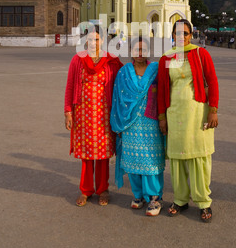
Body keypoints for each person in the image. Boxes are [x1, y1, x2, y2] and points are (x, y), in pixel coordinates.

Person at [157, 19, 219, 222]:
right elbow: (163, 89)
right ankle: (181, 199)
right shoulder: (167, 58)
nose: (181, 37)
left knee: (198, 157)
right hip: (175, 114)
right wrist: (162, 117)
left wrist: (213, 110)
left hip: (198, 112)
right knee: (177, 158)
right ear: (172, 36)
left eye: (184, 33)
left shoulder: (201, 54)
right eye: (177, 33)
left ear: (190, 35)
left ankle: (203, 201)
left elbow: (212, 81)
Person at [64, 24, 123, 207]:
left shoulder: (111, 61)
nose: (93, 43)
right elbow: (70, 87)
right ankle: (86, 190)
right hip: (83, 114)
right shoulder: (77, 60)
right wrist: (68, 111)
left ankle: (103, 189)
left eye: (96, 39)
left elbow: (123, 82)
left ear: (103, 40)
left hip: (104, 115)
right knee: (87, 155)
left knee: (103, 154)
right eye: (89, 39)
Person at [110, 37, 166, 216]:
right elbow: (117, 99)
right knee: (133, 160)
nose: (140, 53)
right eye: (136, 49)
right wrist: (119, 124)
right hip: (129, 123)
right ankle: (138, 195)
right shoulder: (123, 72)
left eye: (143, 50)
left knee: (151, 160)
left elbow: (166, 91)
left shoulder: (155, 70)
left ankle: (155, 198)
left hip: (151, 122)